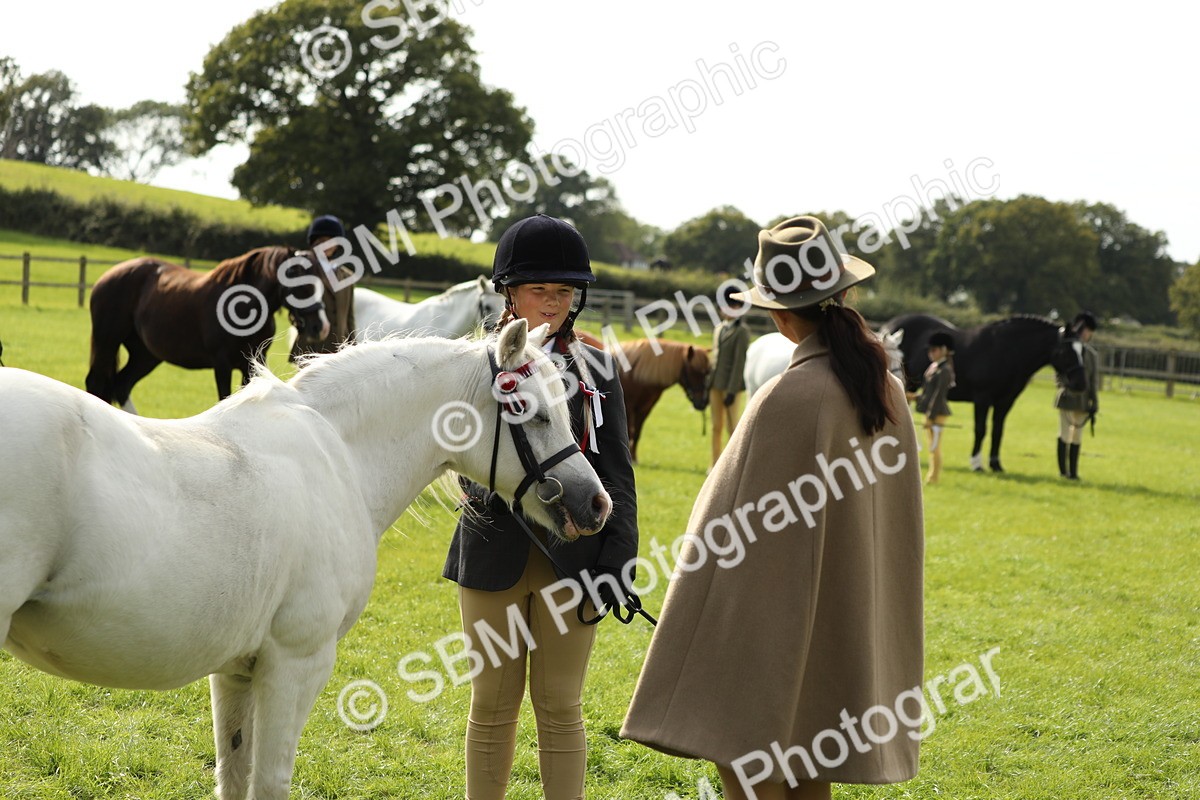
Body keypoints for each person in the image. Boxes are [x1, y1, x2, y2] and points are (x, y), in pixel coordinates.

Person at [621, 216, 924, 800]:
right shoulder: (885, 389)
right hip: (846, 616)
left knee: (746, 761)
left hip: (768, 628)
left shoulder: (787, 397)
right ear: (841, 295)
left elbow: (725, 529)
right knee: (812, 761)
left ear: (779, 315)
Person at [443, 213, 640, 800]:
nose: (553, 302)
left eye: (563, 290)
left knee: (560, 707)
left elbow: (617, 468)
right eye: (539, 289)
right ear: (509, 292)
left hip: (575, 560)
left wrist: (619, 554)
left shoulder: (598, 368)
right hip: (491, 551)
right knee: (490, 706)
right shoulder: (475, 364)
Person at [290, 214, 356, 360]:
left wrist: (354, 348)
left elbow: (349, 318)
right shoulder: (303, 271)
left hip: (339, 349)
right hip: (311, 346)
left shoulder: (347, 277)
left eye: (330, 241)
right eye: (320, 241)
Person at [707, 286, 752, 469]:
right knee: (716, 426)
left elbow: (738, 363)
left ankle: (733, 466)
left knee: (732, 428)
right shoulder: (718, 329)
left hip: (731, 386)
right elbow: (715, 358)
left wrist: (732, 391)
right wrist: (708, 383)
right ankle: (714, 464)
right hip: (716, 384)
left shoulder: (742, 332)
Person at [1054, 312, 1099, 480]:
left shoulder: (1092, 355)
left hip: (1083, 399)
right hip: (1067, 396)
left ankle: (1073, 472)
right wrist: (1062, 388)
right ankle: (1063, 471)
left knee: (1077, 436)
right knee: (1064, 433)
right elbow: (1059, 373)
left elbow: (1093, 381)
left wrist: (1094, 403)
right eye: (1087, 330)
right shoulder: (1067, 349)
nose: (1088, 334)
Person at [913, 331, 955, 485]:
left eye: (934, 350)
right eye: (929, 350)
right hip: (929, 412)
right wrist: (914, 396)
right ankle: (932, 476)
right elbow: (928, 392)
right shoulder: (933, 367)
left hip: (938, 413)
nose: (930, 353)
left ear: (943, 349)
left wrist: (931, 416)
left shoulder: (945, 370)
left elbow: (938, 395)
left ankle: (933, 477)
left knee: (934, 446)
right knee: (931, 445)